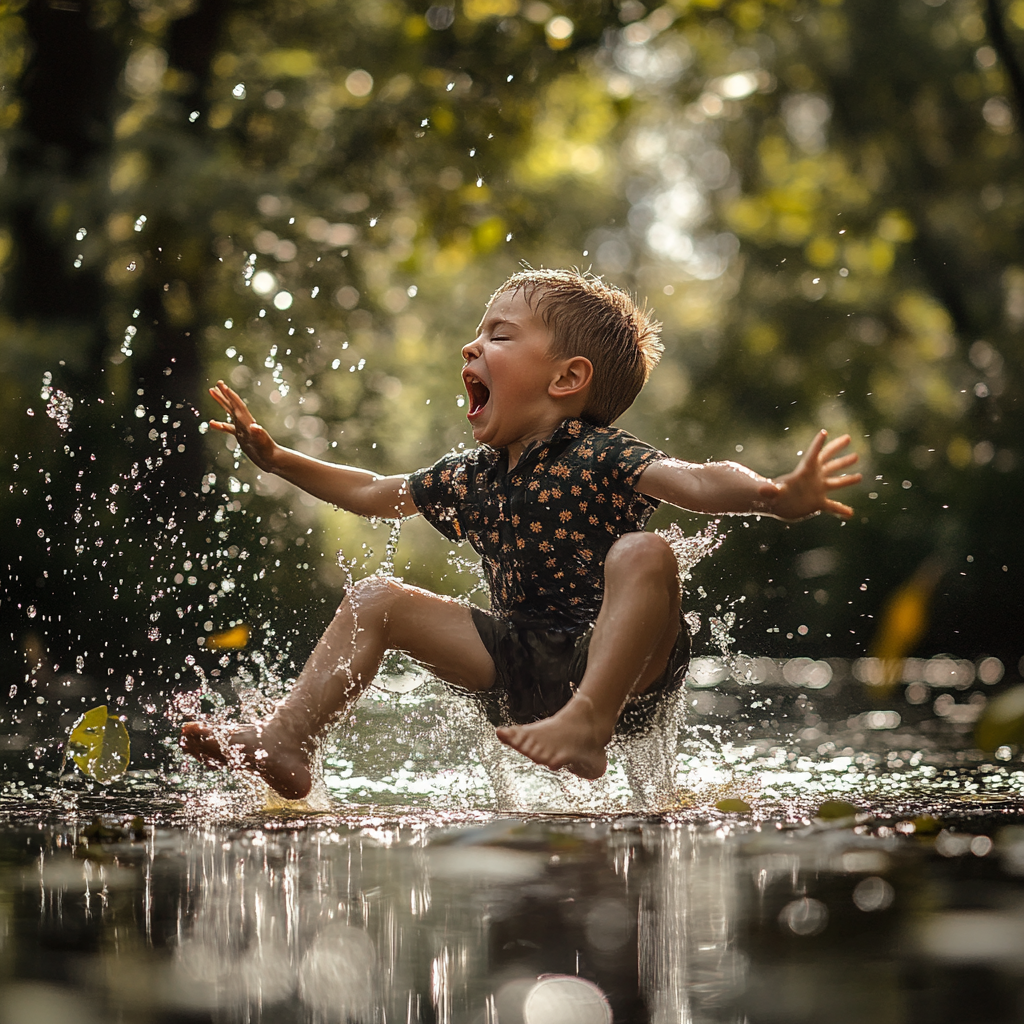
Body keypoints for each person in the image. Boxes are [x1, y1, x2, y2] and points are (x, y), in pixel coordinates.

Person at [180, 268, 861, 800]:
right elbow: (370, 491)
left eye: (500, 336)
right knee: (376, 599)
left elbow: (703, 481)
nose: (473, 345)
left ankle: (588, 723)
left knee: (647, 551)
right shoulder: (471, 477)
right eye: (479, 334)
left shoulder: (604, 454)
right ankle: (286, 740)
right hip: (520, 662)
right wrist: (277, 459)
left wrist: (776, 495)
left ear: (567, 379)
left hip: (621, 671)